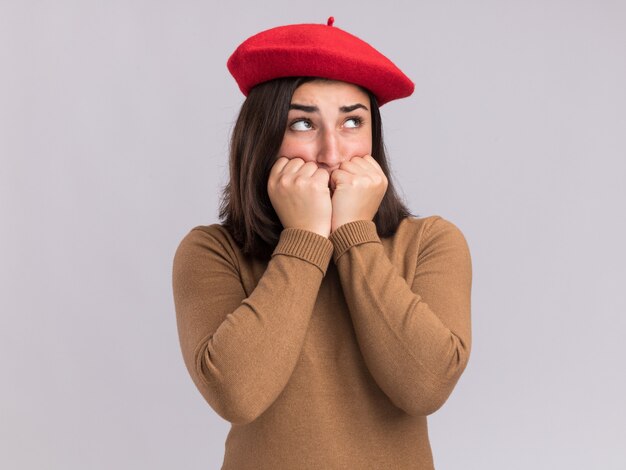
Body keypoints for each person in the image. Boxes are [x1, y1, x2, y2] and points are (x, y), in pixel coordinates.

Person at [172, 17, 472, 470]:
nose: (332, 153)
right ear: (263, 135)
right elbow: (236, 393)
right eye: (302, 124)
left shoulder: (430, 242)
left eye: (353, 121)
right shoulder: (212, 252)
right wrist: (304, 239)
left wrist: (354, 235)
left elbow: (425, 387)